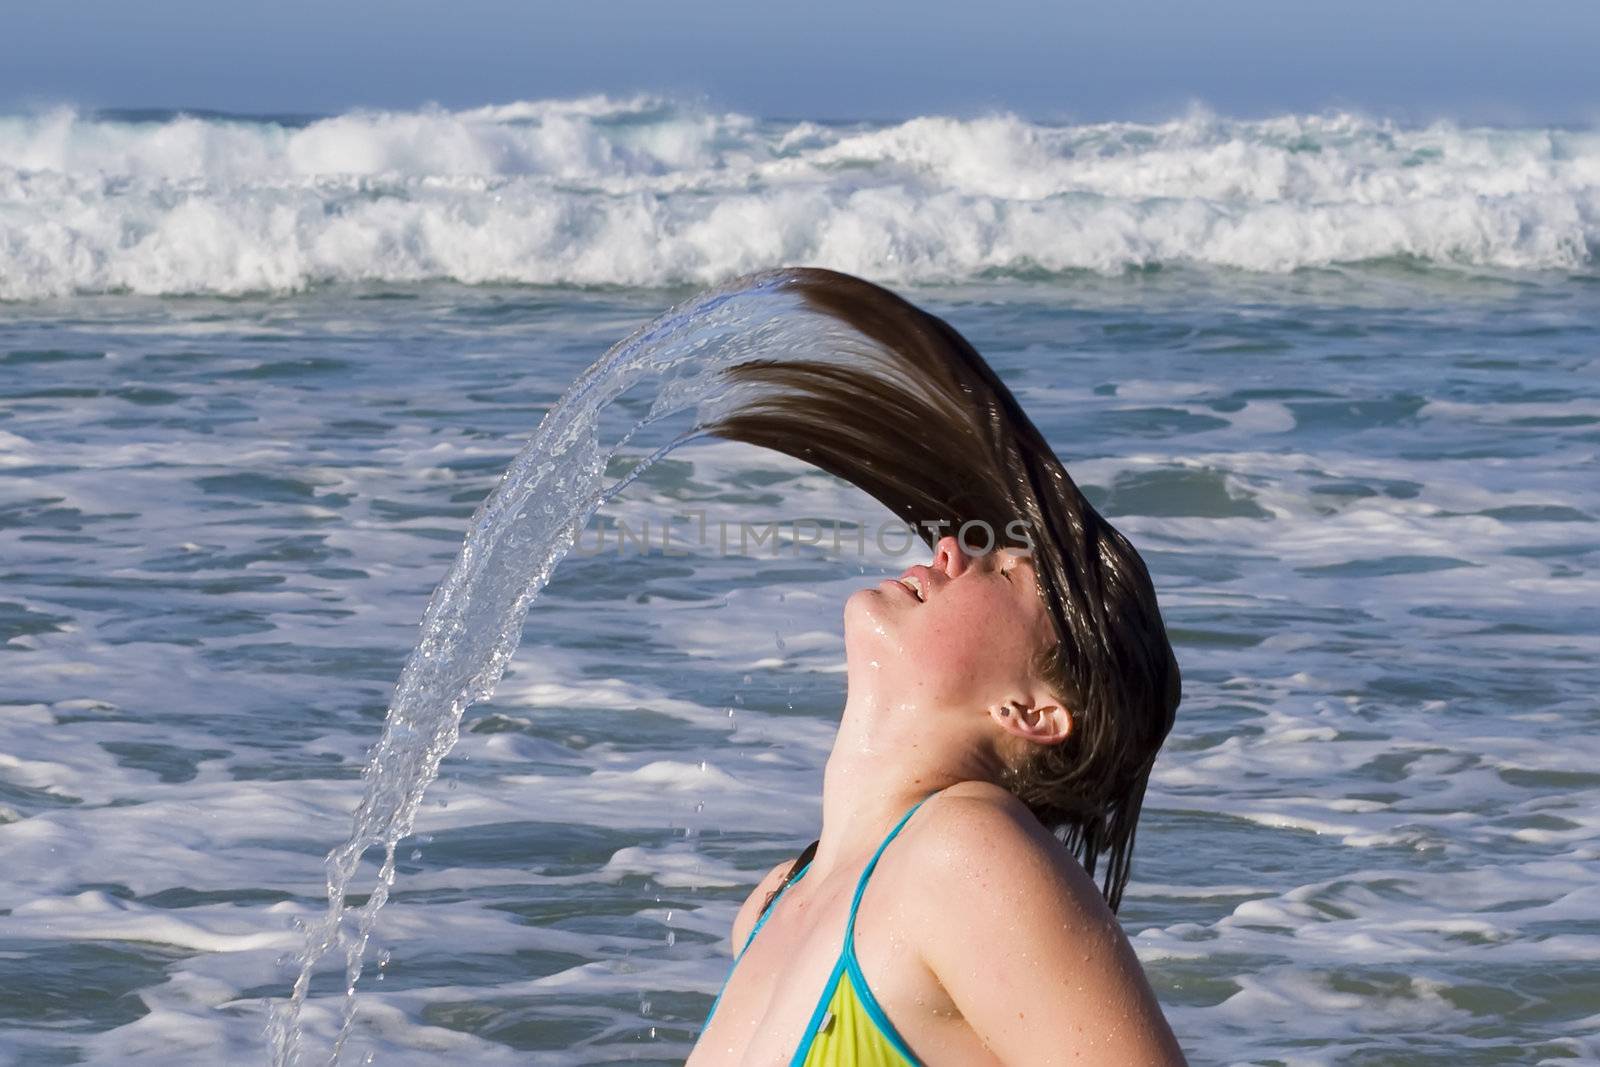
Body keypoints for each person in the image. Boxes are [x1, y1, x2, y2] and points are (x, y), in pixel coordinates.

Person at [685, 268, 1186, 1065]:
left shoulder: (968, 854)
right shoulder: (775, 902)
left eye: (1000, 572)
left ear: (1031, 709)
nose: (948, 550)